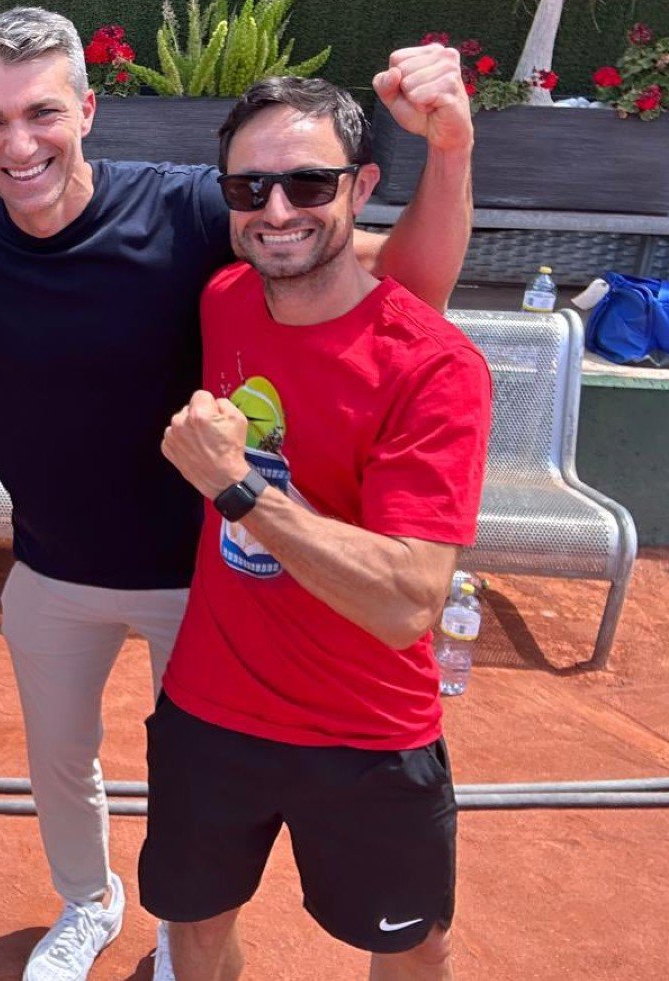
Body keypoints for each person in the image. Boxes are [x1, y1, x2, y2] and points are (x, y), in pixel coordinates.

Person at [0, 6, 475, 981]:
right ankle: (89, 900)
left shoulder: (193, 210)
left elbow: (398, 298)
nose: (18, 142)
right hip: (49, 564)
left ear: (85, 109)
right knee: (61, 765)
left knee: (192, 782)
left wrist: (452, 150)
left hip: (203, 578)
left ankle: (178, 931)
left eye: (40, 112)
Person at [144, 78, 491, 981]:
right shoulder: (226, 298)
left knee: (409, 948)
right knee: (197, 922)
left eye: (308, 184)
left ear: (361, 186)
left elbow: (410, 600)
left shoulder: (435, 367)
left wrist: (239, 491)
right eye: (249, 188)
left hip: (369, 729)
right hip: (212, 706)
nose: (276, 210)